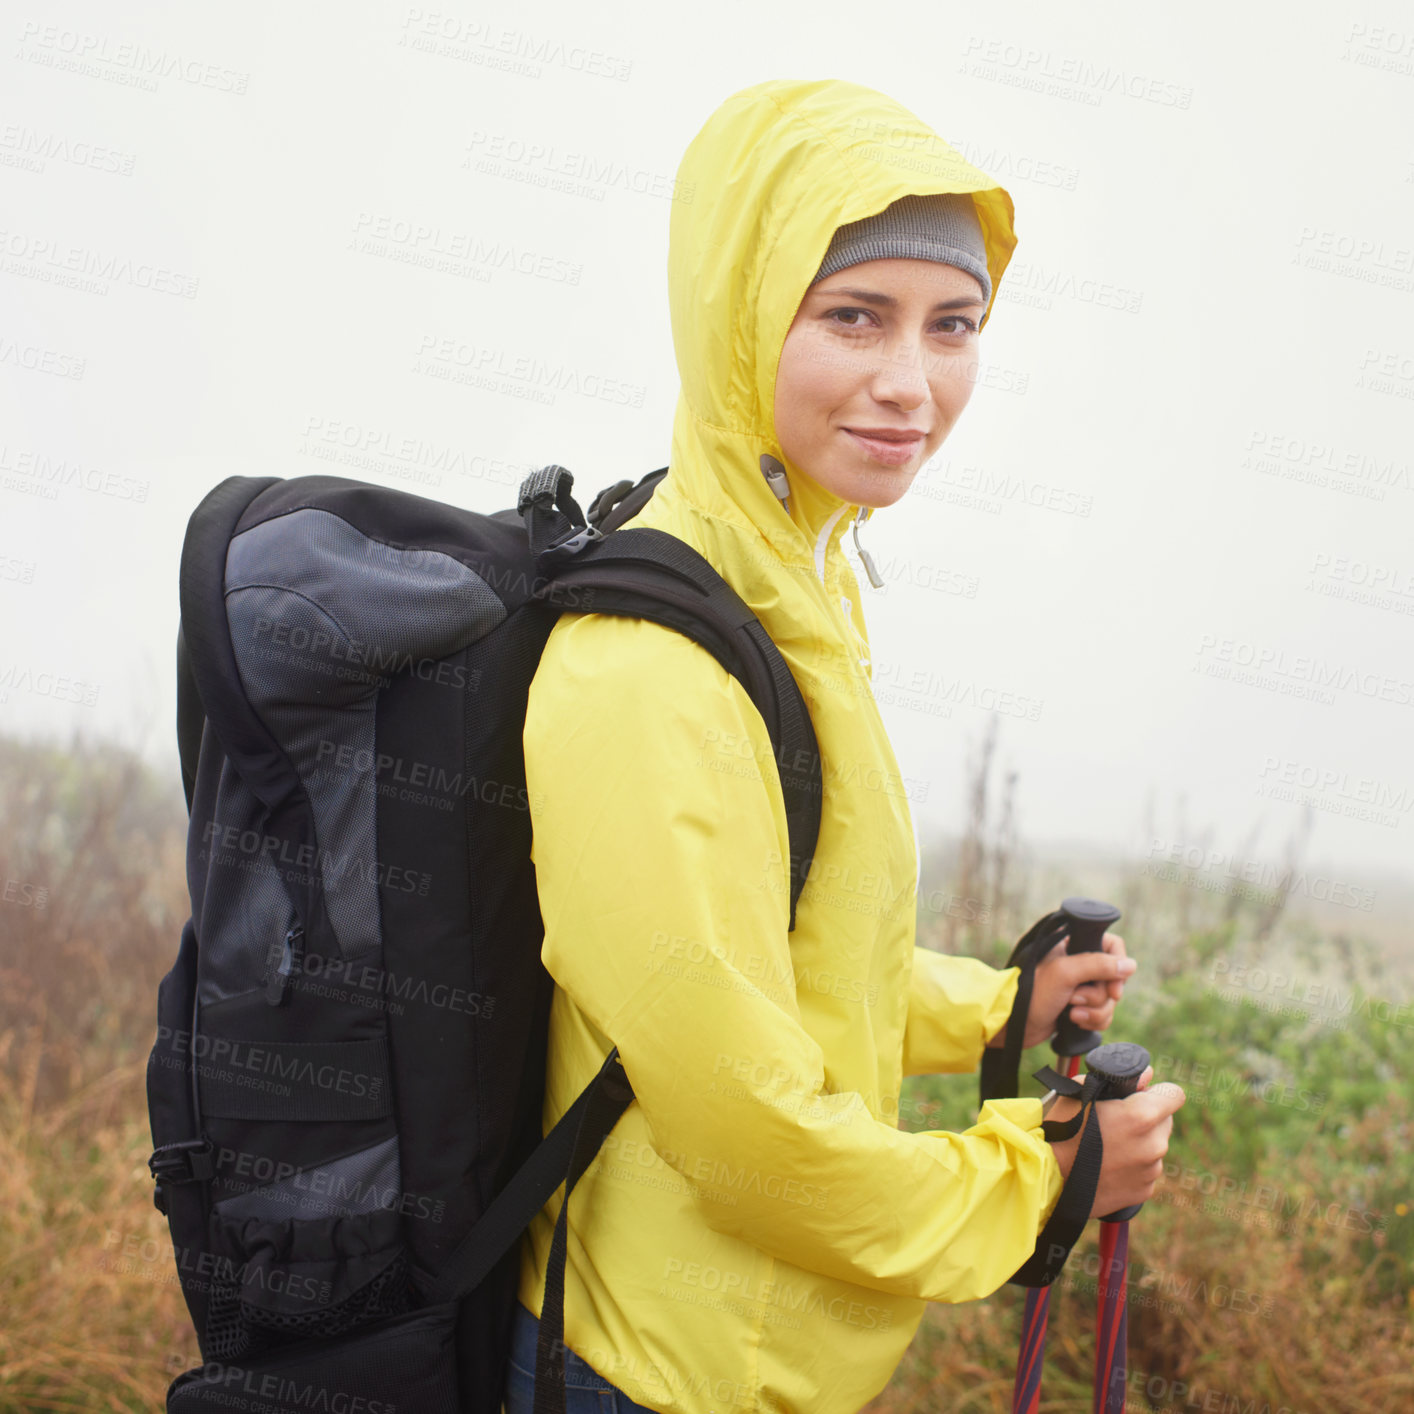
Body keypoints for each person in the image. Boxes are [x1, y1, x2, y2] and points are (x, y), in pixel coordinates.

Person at [507, 78, 1184, 1414]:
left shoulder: (791, 579)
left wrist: (998, 1007)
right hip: (651, 1369)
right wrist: (1037, 1178)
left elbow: (792, 949)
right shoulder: (650, 661)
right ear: (738, 315)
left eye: (953, 327)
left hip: (744, 1360)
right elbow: (743, 1130)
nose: (909, 384)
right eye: (851, 317)